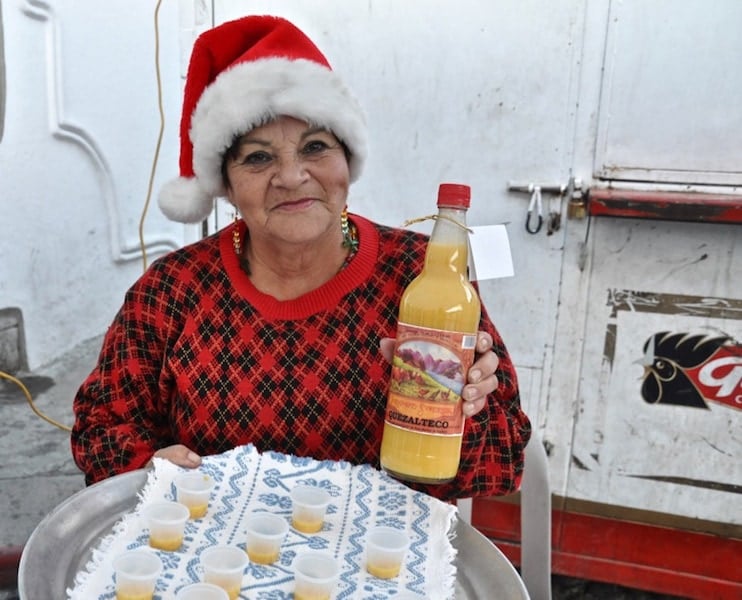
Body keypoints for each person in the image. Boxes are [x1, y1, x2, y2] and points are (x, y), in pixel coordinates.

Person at [71, 15, 531, 501]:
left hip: (380, 560)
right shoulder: (173, 289)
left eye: (315, 146)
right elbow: (101, 427)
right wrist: (144, 467)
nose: (292, 176)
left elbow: (502, 462)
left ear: (346, 163)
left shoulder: (421, 276)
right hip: (213, 562)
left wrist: (467, 411)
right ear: (225, 185)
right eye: (257, 157)